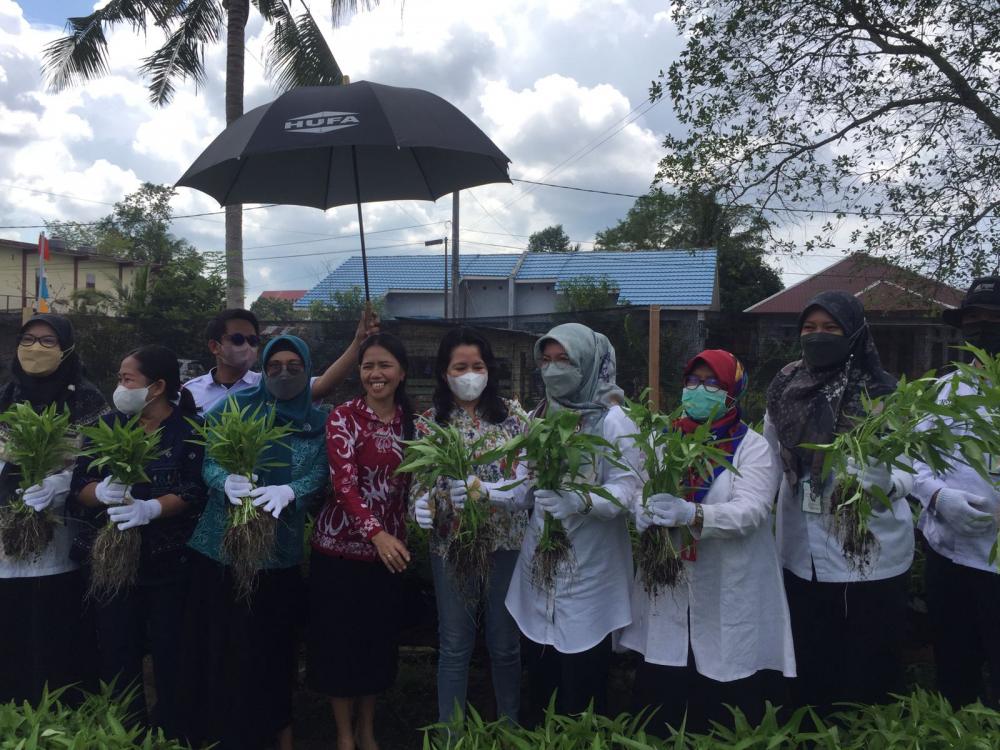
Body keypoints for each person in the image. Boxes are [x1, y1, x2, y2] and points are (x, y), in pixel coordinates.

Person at [620, 350, 794, 734]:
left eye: (712, 383)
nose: (700, 390)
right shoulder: (663, 439)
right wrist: (642, 508)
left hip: (728, 576)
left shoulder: (752, 447)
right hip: (670, 575)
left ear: (733, 392)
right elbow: (636, 485)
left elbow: (753, 510)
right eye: (693, 382)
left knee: (724, 669)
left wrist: (694, 515)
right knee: (665, 668)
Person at [764, 291, 914, 713]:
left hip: (871, 554)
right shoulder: (785, 386)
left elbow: (914, 469)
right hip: (801, 554)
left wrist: (886, 482)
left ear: (854, 333)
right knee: (813, 663)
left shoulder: (884, 393)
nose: (818, 336)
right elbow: (769, 457)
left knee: (868, 666)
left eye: (831, 328)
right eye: (809, 328)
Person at [182, 335, 329, 750]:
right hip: (219, 549)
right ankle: (218, 733)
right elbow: (210, 459)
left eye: (294, 365)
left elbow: (320, 473)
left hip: (278, 555)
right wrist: (222, 481)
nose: (283, 373)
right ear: (262, 370)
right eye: (274, 365)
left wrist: (292, 491)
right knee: (222, 646)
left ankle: (271, 732)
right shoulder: (235, 406)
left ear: (307, 367)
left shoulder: (317, 422)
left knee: (270, 652)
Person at [505, 322, 642, 721]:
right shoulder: (541, 415)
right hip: (541, 566)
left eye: (564, 359)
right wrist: (482, 491)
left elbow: (627, 490)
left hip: (591, 570)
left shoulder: (614, 420)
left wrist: (579, 500)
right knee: (541, 677)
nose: (553, 369)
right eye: (546, 361)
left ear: (589, 362)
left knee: (582, 686)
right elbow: (524, 484)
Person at [71, 345, 205, 738]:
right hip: (113, 566)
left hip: (169, 564)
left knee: (170, 654)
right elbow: (78, 485)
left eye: (127, 379)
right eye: (119, 378)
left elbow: (194, 489)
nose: (119, 386)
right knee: (117, 653)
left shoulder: (190, 429)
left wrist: (151, 509)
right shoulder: (108, 425)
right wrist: (101, 491)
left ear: (158, 386)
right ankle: (125, 733)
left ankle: (172, 735)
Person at [410, 327, 530, 724]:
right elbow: (421, 483)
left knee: (505, 644)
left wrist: (492, 492)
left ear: (489, 369)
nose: (469, 374)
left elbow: (528, 483)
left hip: (507, 542)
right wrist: (422, 506)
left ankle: (511, 730)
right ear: (444, 373)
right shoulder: (429, 423)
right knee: (456, 645)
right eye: (459, 366)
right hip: (452, 546)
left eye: (477, 365)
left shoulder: (514, 419)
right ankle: (451, 736)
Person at [308, 333, 414, 750]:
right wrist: (378, 534)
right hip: (338, 552)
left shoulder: (413, 422)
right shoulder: (344, 417)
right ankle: (344, 735)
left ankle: (368, 728)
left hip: (390, 556)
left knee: (375, 645)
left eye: (385, 365)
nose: (376, 374)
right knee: (338, 646)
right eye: (368, 366)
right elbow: (344, 485)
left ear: (401, 372)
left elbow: (419, 482)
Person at [0, 313, 108, 704]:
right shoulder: (6, 396)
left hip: (61, 530)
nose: (36, 348)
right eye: (29, 339)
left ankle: (60, 707)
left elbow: (97, 462)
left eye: (48, 341)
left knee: (51, 620)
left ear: (66, 349)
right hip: (7, 531)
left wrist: (56, 486)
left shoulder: (87, 400)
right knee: (11, 621)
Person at [912, 276, 1000, 708]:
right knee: (955, 670)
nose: (982, 328)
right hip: (948, 557)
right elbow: (911, 459)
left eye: (993, 319)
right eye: (973, 320)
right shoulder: (945, 391)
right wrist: (935, 496)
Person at [183, 308, 380, 413]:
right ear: (214, 346)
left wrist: (357, 343)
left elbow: (323, 386)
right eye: (237, 339)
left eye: (252, 340)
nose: (246, 346)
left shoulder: (269, 385)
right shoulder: (190, 392)